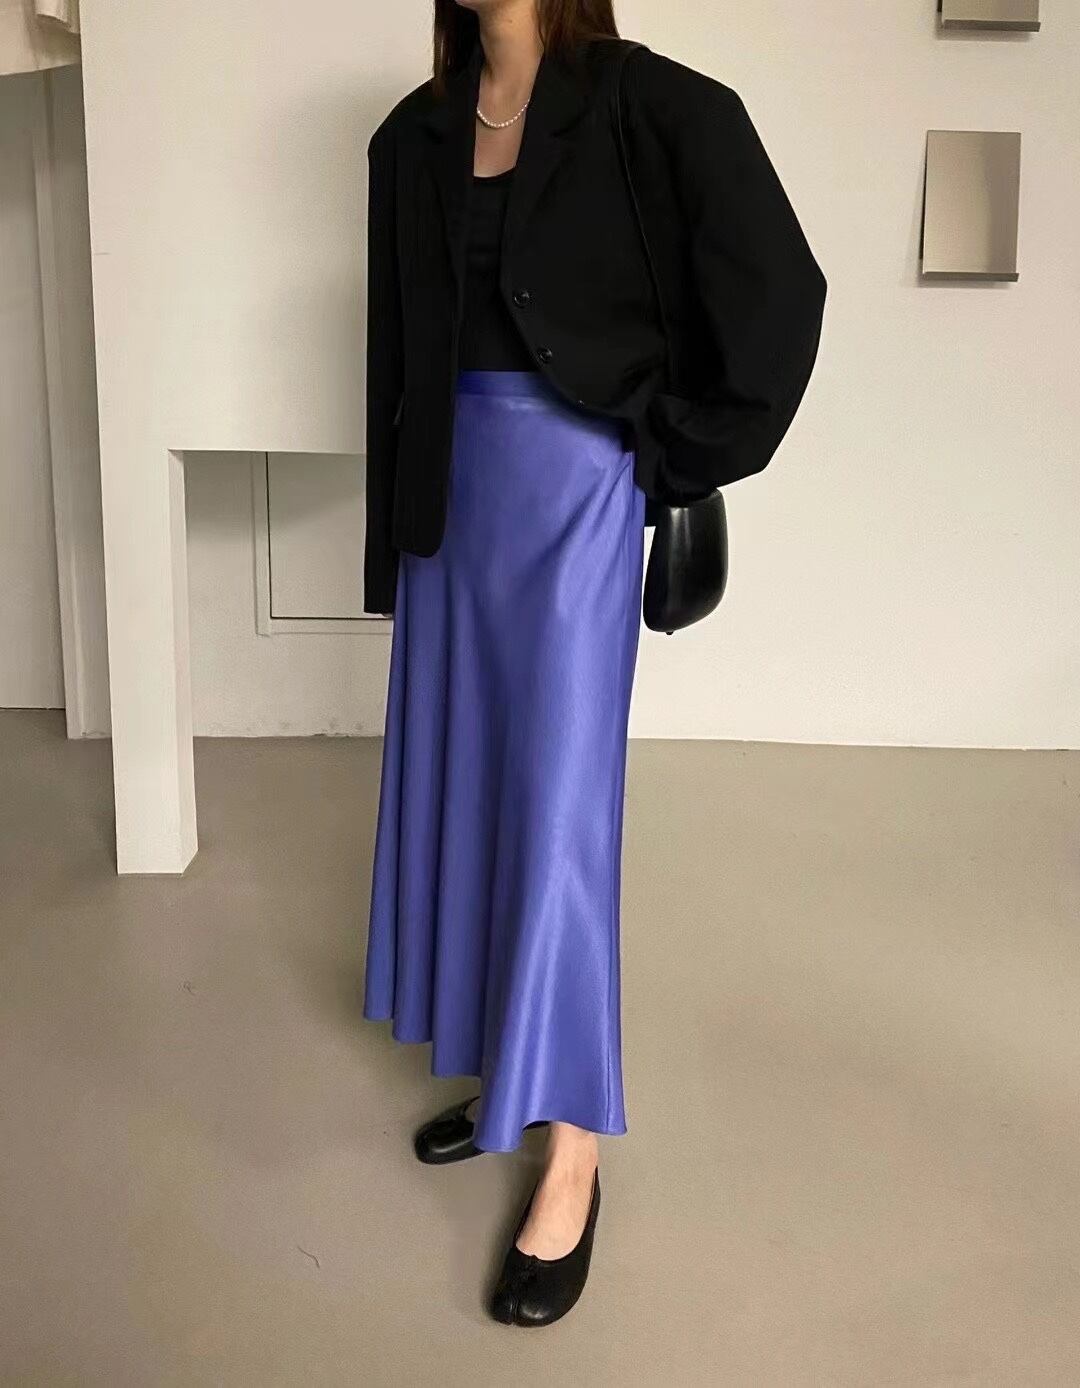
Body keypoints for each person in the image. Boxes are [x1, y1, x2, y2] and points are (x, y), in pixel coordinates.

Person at [361, 0, 826, 1327]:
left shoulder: (651, 104)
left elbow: (782, 293)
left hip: (573, 491)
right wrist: (396, 535)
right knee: (465, 791)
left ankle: (573, 1150)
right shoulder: (413, 134)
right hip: (452, 496)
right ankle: (508, 1073)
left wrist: (667, 456)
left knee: (560, 812)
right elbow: (396, 355)